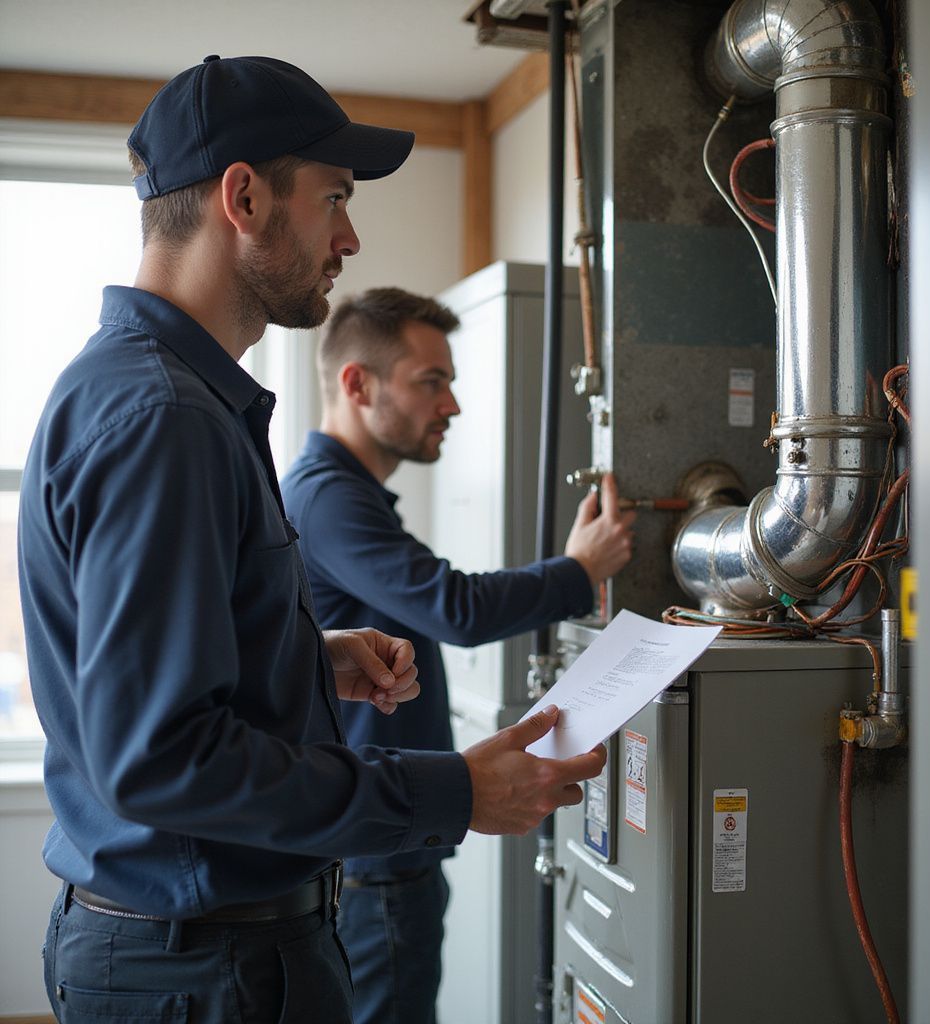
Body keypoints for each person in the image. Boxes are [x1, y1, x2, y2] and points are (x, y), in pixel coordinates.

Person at [16, 55, 606, 1024]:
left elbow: (115, 680)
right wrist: (450, 790)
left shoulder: (156, 392)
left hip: (200, 950)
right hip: (204, 967)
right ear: (242, 197)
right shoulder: (165, 416)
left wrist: (300, 657)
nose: (349, 235)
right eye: (332, 197)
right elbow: (162, 759)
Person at [280, 286, 635, 1024]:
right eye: (430, 381)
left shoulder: (345, 498)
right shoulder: (327, 499)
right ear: (357, 383)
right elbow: (455, 607)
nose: (452, 405)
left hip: (386, 846)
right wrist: (579, 570)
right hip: (378, 862)